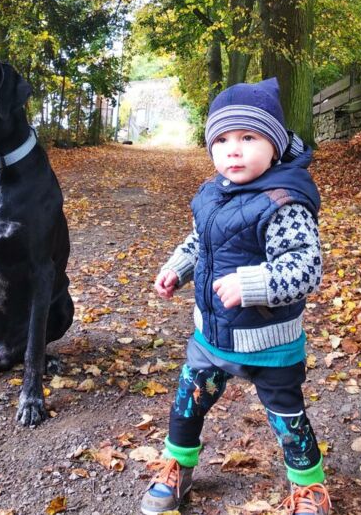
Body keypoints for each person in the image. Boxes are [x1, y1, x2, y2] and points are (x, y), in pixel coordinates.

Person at [140, 78, 330, 515]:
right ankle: (178, 465)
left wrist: (252, 283)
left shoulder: (284, 201)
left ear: (275, 146)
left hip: (270, 342)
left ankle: (309, 487)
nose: (234, 150)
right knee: (189, 401)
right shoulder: (212, 194)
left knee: (287, 417)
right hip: (212, 335)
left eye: (248, 138)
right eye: (222, 140)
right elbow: (200, 242)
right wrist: (177, 269)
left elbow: (306, 268)